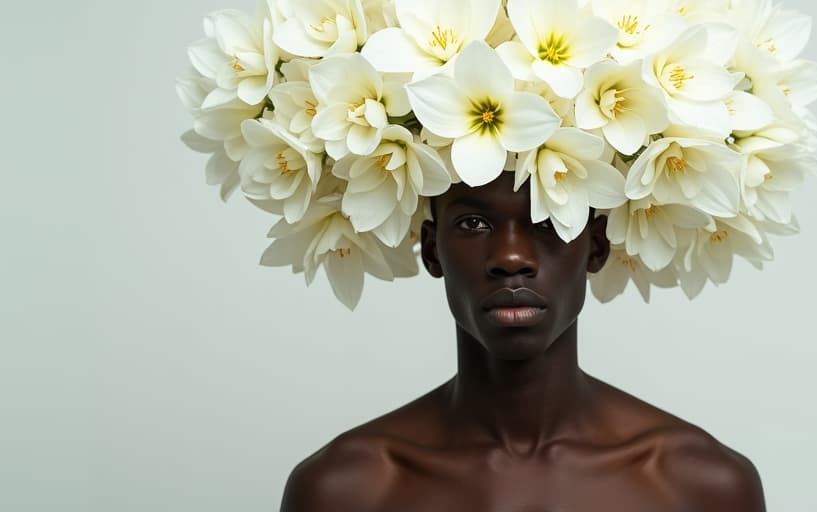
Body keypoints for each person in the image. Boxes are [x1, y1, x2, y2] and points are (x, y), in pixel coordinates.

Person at [279, 171, 767, 512]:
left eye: (550, 220)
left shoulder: (702, 486)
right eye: (473, 223)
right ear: (432, 250)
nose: (511, 256)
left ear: (596, 246)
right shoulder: (344, 491)